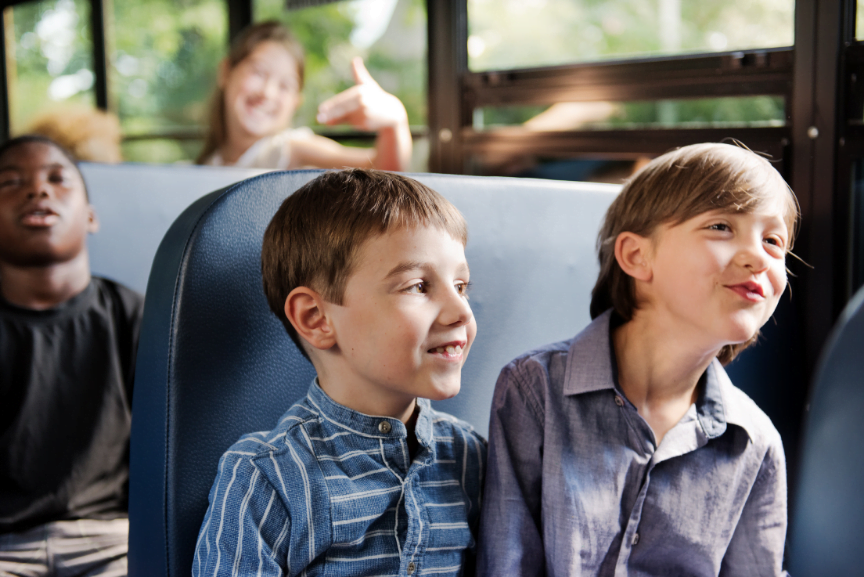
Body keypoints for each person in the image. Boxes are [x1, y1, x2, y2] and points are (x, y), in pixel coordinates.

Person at [477, 142, 798, 576]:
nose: (758, 256)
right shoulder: (535, 389)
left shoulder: (755, 442)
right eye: (721, 226)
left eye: (773, 240)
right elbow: (507, 564)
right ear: (636, 256)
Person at [192, 169, 486, 576]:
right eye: (418, 286)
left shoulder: (471, 456)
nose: (461, 312)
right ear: (316, 318)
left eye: (461, 285)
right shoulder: (267, 477)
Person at [0, 135, 143, 576]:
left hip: (113, 539)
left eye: (57, 179)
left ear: (91, 216)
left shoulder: (135, 314)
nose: (36, 190)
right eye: (10, 182)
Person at [197, 21, 412, 171]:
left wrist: (395, 122)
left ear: (296, 102)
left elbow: (384, 169)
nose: (267, 93)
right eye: (258, 73)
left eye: (285, 86)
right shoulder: (208, 163)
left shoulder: (289, 148)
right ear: (225, 72)